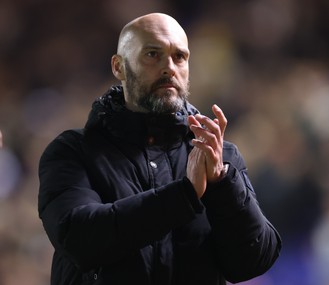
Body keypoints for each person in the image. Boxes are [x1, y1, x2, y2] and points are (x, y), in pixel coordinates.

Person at [38, 13, 281, 285]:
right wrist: (183, 196)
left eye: (179, 56)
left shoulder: (218, 155)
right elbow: (79, 239)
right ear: (119, 67)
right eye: (153, 54)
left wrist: (223, 184)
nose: (169, 67)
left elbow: (253, 262)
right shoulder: (73, 151)